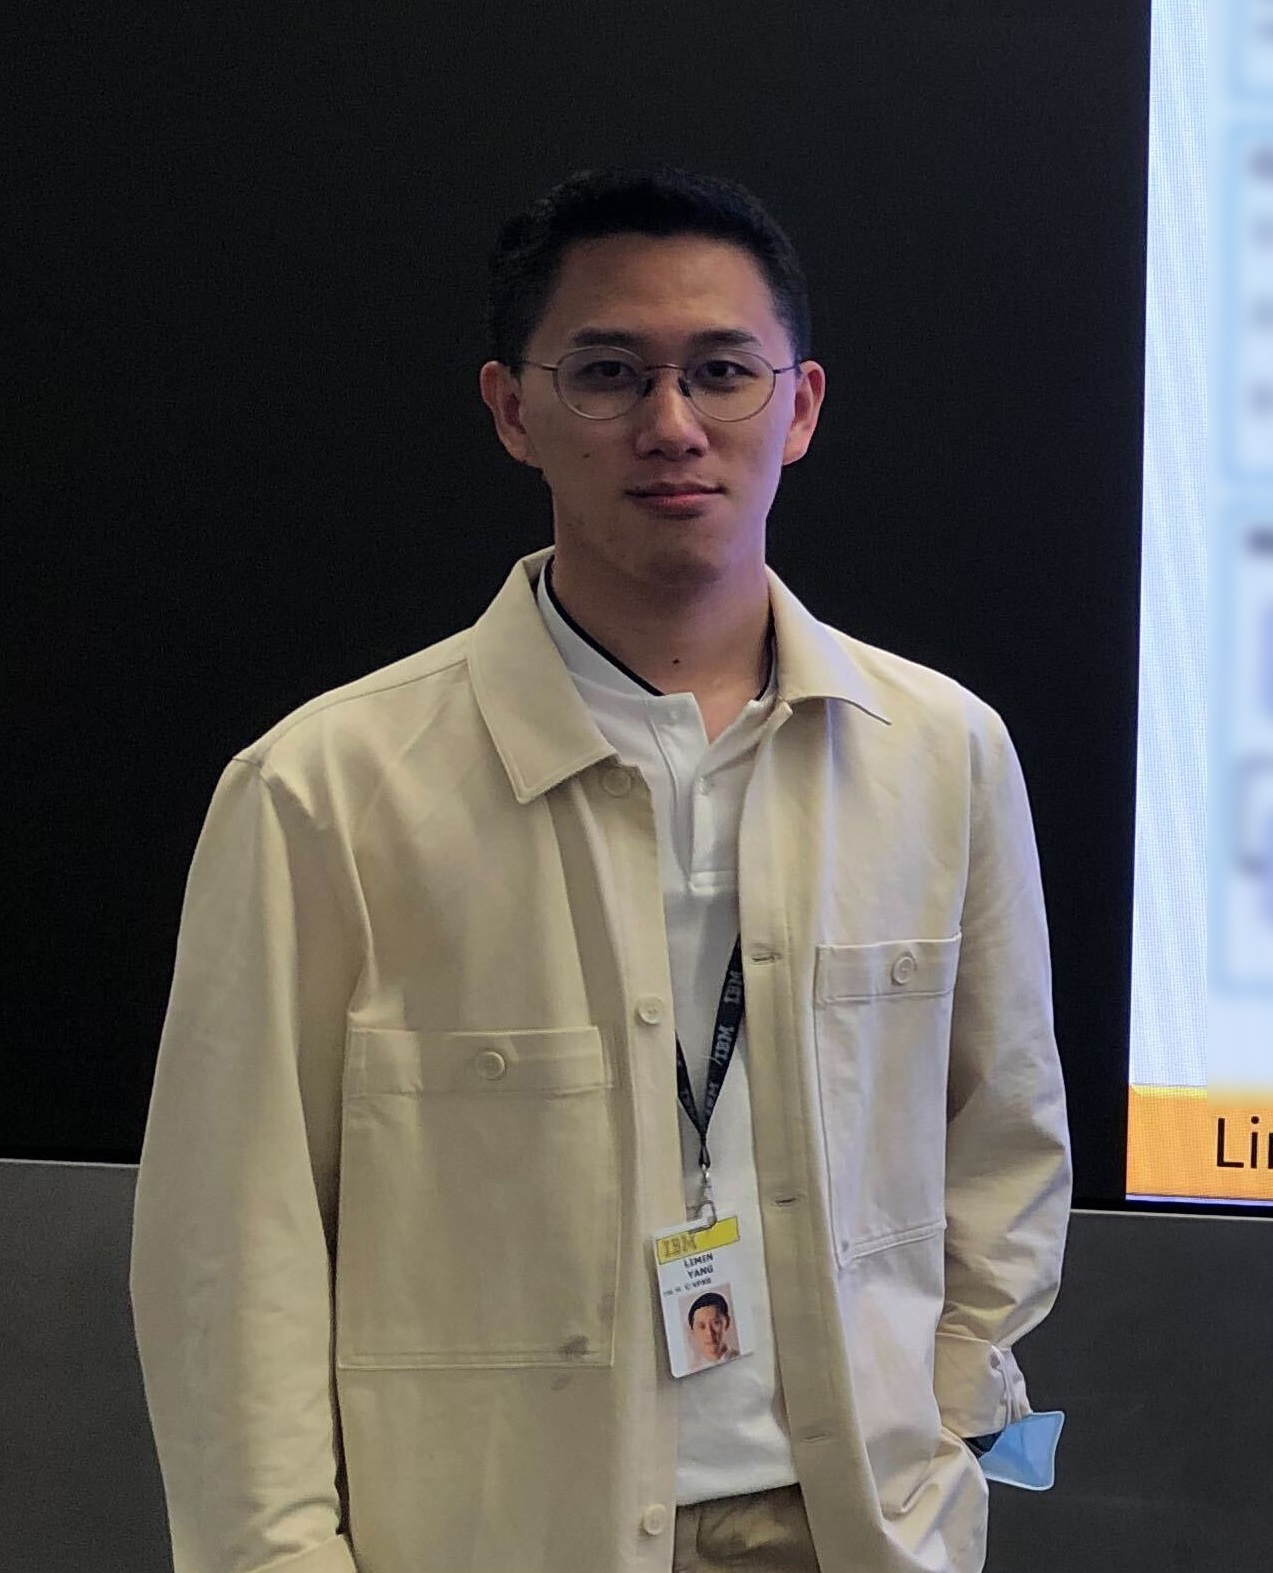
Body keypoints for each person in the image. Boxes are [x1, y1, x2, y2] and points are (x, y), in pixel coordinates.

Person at [130, 167, 1071, 1573]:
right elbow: (230, 1256)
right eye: (610, 373)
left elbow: (1003, 1148)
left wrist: (952, 1435)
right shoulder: (322, 793)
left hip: (857, 1532)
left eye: (722, 372)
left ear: (799, 406)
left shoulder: (939, 754)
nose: (673, 424)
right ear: (515, 409)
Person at [686, 1292, 740, 1368]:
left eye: (716, 1323)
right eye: (701, 1326)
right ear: (692, 1332)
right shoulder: (691, 1368)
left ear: (727, 1322)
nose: (709, 1333)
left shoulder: (741, 1358)